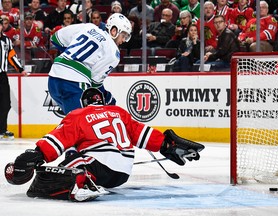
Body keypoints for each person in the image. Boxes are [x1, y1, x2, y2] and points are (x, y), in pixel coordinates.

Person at [5, 87, 205, 201]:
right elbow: (144, 135)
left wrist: (36, 154)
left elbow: (58, 140)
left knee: (56, 171)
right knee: (75, 159)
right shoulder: (119, 112)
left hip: (98, 164)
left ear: (84, 103)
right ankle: (86, 180)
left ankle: (82, 184)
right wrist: (168, 146)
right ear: (102, 100)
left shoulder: (78, 114)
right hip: (122, 174)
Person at [48, 13, 132, 115]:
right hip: (74, 82)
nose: (123, 40)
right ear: (114, 31)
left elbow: (55, 39)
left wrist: (72, 54)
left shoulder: (89, 27)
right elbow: (95, 82)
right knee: (81, 123)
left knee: (70, 122)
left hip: (54, 76)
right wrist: (107, 97)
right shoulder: (113, 52)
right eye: (123, 36)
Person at [0, 17, 28, 140]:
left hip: (2, 76)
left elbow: (11, 57)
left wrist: (20, 69)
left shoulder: (6, 40)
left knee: (5, 104)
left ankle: (2, 130)